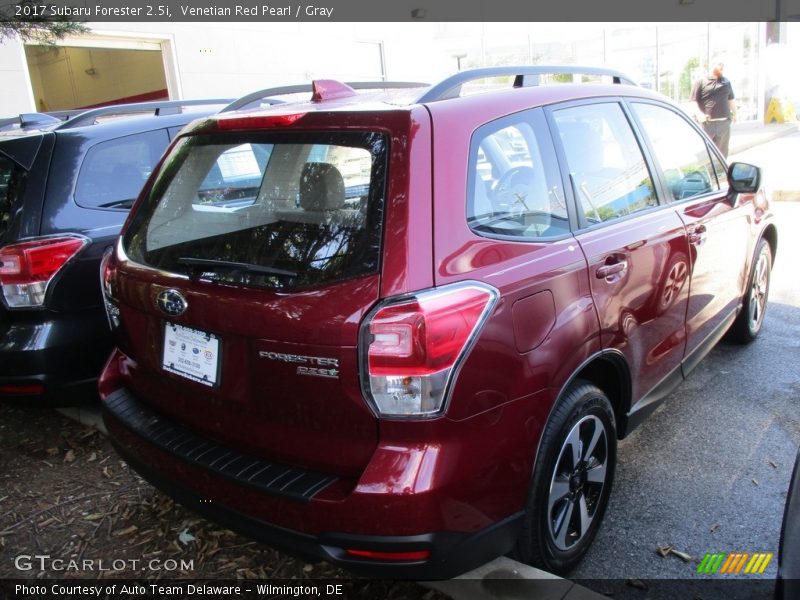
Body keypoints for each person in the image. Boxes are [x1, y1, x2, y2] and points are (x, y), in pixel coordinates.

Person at [691, 62, 737, 157]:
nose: (721, 69)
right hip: (707, 125)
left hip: (723, 125)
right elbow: (693, 101)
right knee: (704, 155)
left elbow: (731, 99)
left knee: (721, 156)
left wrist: (736, 113)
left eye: (722, 67)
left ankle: (721, 172)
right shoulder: (700, 82)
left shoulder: (726, 82)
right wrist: (699, 115)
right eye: (718, 66)